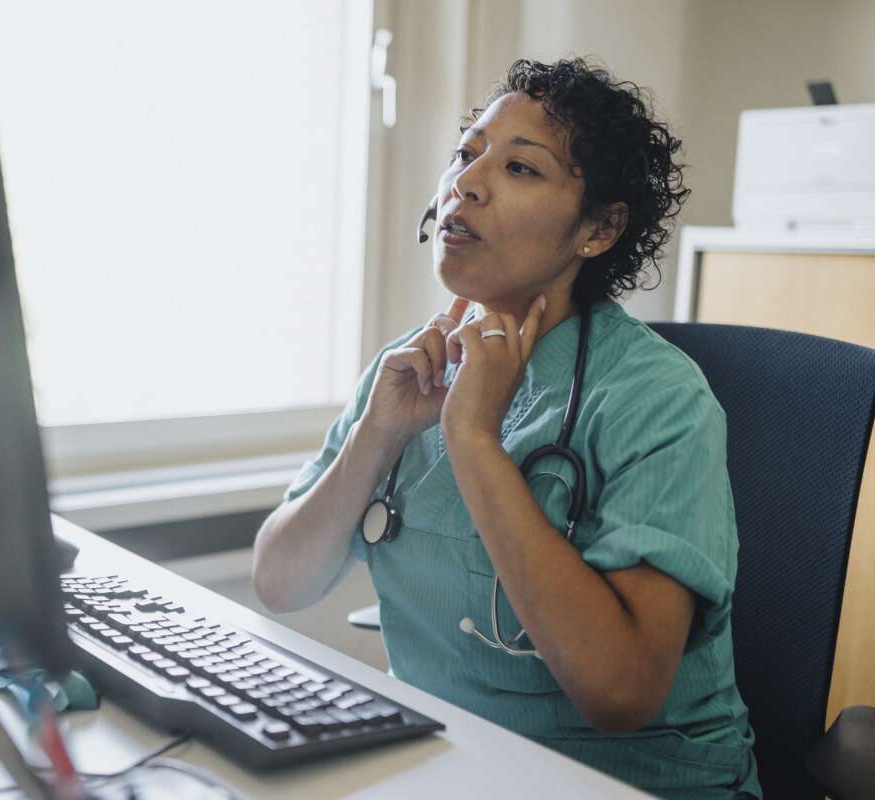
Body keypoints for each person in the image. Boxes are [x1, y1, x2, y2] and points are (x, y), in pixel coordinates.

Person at [251, 58, 762, 799]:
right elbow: (279, 582)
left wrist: (475, 443)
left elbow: (620, 693)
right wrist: (378, 432)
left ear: (599, 228)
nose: (466, 182)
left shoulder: (656, 398)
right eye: (466, 153)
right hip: (448, 770)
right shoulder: (410, 370)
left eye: (521, 167)